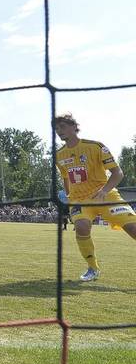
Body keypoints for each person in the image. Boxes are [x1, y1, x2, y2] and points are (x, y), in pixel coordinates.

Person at [53, 113, 136, 282]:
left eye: (62, 127)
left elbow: (118, 173)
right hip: (80, 200)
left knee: (133, 229)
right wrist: (69, 197)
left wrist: (105, 191)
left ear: (74, 126)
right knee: (82, 226)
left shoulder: (96, 146)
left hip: (105, 196)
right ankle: (92, 268)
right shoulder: (58, 155)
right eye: (56, 128)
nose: (59, 131)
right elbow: (66, 178)